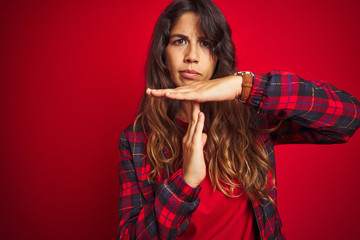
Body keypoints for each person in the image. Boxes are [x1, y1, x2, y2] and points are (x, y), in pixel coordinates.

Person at [117, 0, 360, 239]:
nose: (192, 56)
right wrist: (185, 182)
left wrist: (245, 86)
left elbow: (347, 117)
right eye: (180, 41)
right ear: (162, 53)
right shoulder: (136, 139)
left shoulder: (249, 118)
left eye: (205, 43)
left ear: (218, 55)